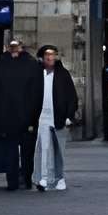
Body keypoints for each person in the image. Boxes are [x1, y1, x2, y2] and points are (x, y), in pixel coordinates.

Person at [0, 35, 42, 191]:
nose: (14, 49)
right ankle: (16, 180)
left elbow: (36, 93)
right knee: (14, 152)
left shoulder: (5, 64)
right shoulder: (27, 65)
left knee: (22, 151)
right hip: (15, 117)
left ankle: (22, 178)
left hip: (17, 116)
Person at [33, 43, 80, 191]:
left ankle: (60, 178)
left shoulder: (62, 74)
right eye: (47, 55)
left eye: (52, 54)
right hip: (42, 116)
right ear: (42, 58)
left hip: (59, 115)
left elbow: (72, 96)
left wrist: (69, 115)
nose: (49, 57)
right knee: (43, 148)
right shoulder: (37, 74)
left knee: (59, 149)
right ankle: (43, 178)